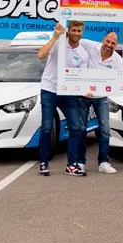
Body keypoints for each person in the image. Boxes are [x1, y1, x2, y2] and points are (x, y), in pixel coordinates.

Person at [36, 21, 95, 177]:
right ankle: (43, 163)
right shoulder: (58, 44)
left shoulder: (83, 53)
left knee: (76, 127)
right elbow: (40, 55)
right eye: (74, 30)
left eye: (79, 31)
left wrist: (85, 91)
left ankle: (71, 165)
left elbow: (80, 77)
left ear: (83, 32)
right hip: (49, 89)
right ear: (69, 31)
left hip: (68, 93)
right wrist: (55, 37)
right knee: (47, 128)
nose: (76, 33)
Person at [77, 31, 123, 175]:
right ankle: (80, 162)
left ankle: (103, 162)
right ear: (103, 40)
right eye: (107, 41)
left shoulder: (117, 60)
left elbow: (121, 81)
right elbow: (74, 40)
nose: (109, 45)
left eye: (113, 43)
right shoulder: (90, 45)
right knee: (81, 129)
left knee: (104, 130)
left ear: (116, 45)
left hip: (102, 97)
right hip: (84, 94)